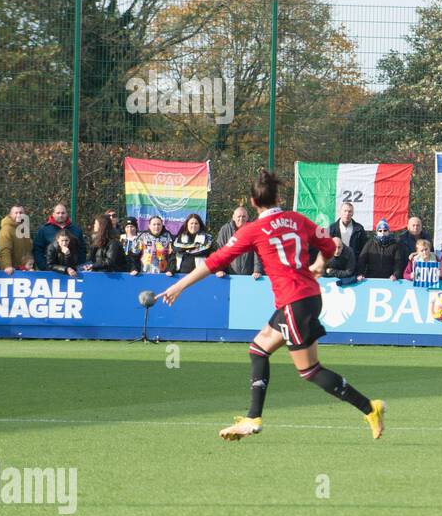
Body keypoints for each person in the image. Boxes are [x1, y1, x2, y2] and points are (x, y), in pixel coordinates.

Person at [157, 168, 384, 440]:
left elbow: (215, 260)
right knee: (258, 348)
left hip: (293, 302)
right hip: (308, 297)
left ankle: (369, 408)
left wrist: (179, 285)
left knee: (310, 371)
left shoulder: (252, 230)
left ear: (253, 203)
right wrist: (320, 265)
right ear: (278, 197)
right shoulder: (297, 219)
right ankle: (253, 417)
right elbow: (330, 243)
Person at [216, 207, 264, 279]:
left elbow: (258, 252)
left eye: (244, 216)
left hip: (251, 277)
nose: (241, 219)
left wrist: (257, 270)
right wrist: (219, 269)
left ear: (247, 217)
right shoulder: (225, 230)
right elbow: (220, 251)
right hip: (228, 276)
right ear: (233, 217)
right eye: (239, 216)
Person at [33, 203, 84, 269]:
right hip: (50, 271)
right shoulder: (44, 230)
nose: (60, 215)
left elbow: (82, 249)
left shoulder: (76, 230)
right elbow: (37, 250)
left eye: (63, 213)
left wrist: (78, 266)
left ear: (67, 214)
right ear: (53, 214)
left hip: (73, 272)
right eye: (58, 213)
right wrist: (44, 267)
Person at [0, 205, 34, 274]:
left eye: (21, 212)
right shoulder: (6, 230)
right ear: (10, 215)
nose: (19, 215)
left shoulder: (25, 229)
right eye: (16, 213)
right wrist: (7, 266)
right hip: (12, 271)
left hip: (25, 270)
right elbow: (5, 249)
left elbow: (29, 250)